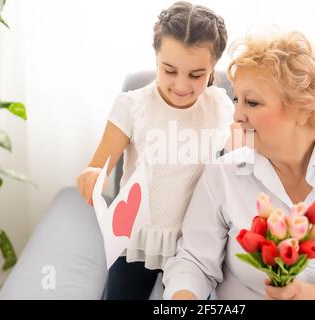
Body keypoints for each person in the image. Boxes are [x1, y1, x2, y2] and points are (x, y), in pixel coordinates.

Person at [162, 30, 315, 300]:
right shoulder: (222, 174)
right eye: (237, 100)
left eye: (252, 102)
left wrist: (314, 295)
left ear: (303, 109)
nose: (238, 114)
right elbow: (194, 263)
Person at [76, 1, 233, 299]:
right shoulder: (133, 106)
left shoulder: (219, 107)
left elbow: (247, 160)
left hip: (192, 245)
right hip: (134, 240)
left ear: (213, 67)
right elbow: (98, 167)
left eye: (196, 75)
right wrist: (92, 175)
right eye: (169, 70)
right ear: (156, 57)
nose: (181, 85)